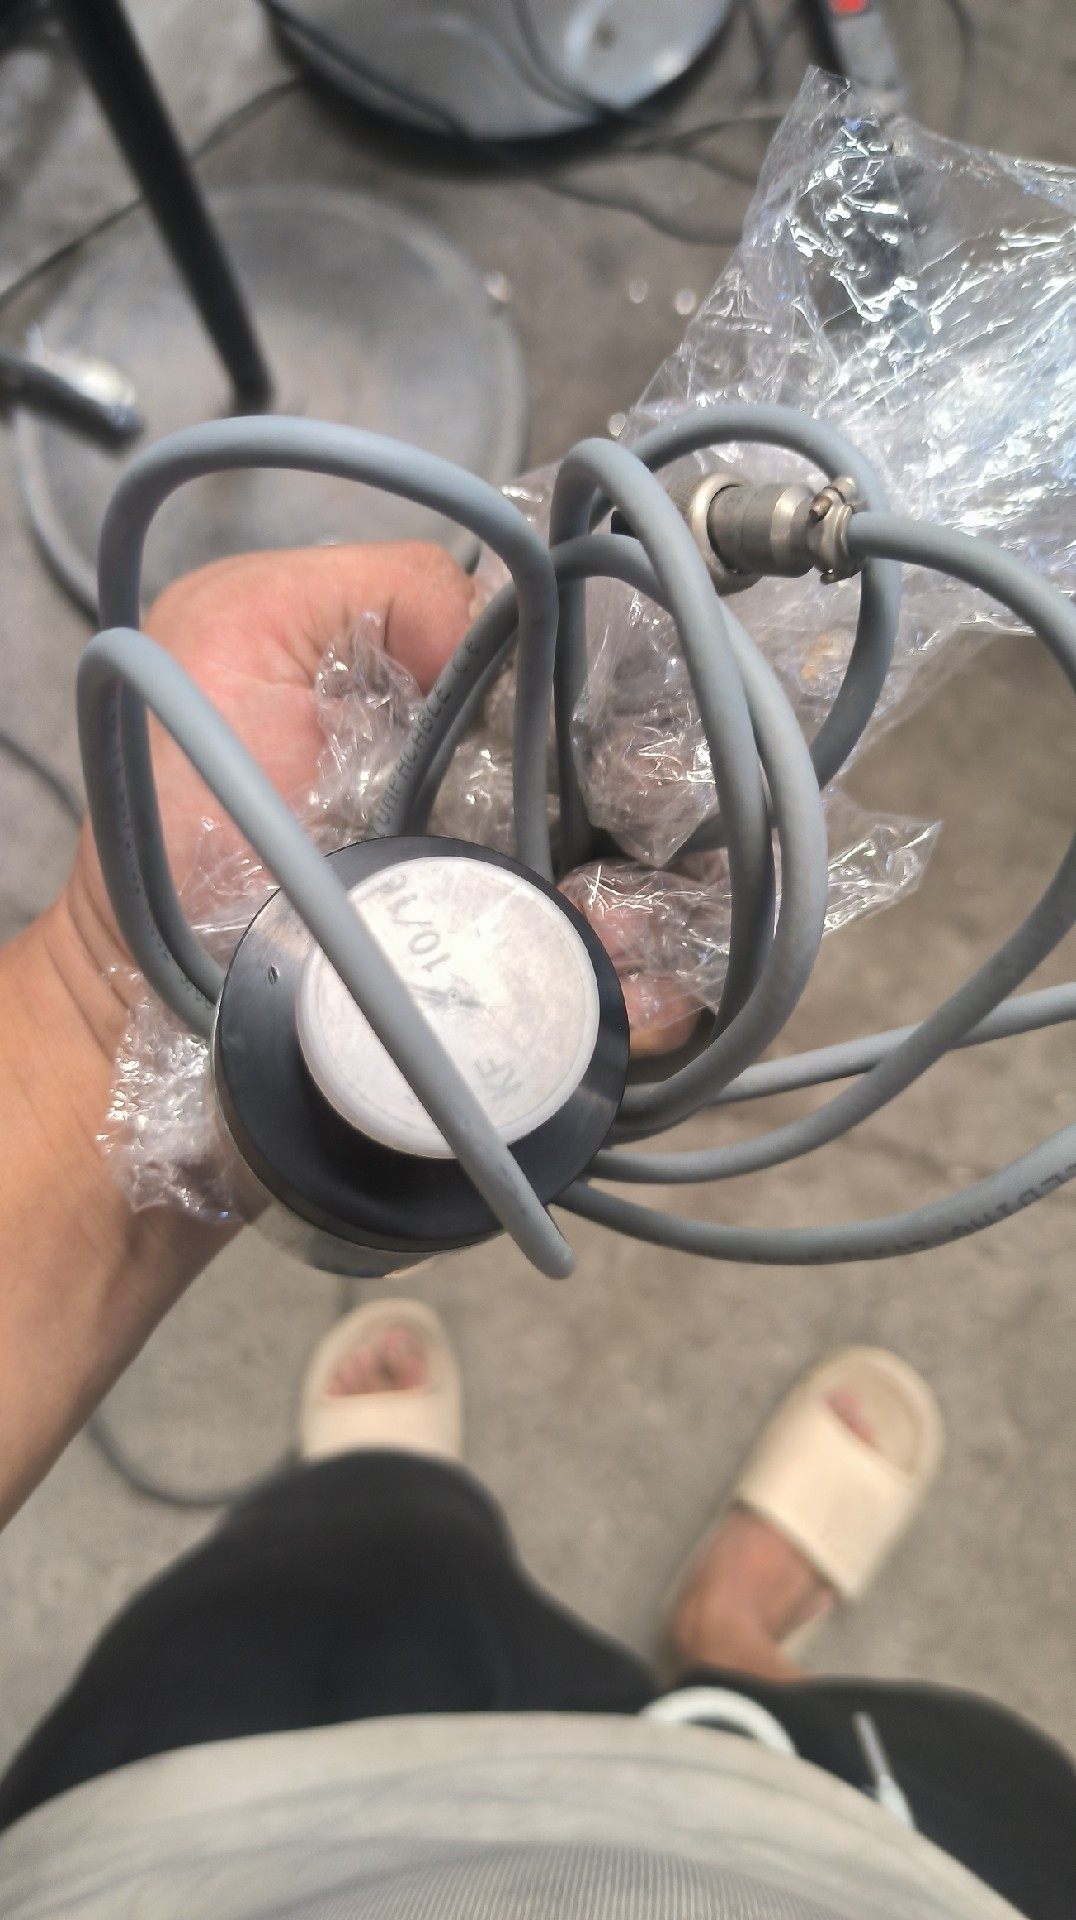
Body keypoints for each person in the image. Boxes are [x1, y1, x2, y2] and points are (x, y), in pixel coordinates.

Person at [0, 545, 1070, 1919]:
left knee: (324, 1603)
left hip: (197, 1843)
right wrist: (116, 1018)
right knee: (931, 1790)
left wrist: (92, 1024)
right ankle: (736, 1665)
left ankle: (388, 1507)